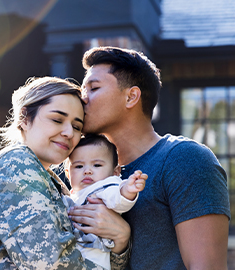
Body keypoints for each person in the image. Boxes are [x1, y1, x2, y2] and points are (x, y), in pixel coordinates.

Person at [67, 46, 230, 270]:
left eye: (93, 88)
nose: (82, 99)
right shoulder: (77, 171)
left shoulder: (185, 160)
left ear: (131, 96)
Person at [0, 76, 130, 269]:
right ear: (24, 119)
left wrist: (120, 240)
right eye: (57, 120)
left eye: (77, 126)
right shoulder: (15, 164)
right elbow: (50, 263)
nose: (69, 132)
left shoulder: (49, 178)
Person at [62, 133, 147, 270]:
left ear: (115, 172)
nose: (87, 171)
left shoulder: (103, 188)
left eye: (96, 165)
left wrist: (127, 190)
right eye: (79, 166)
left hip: (94, 259)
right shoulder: (73, 195)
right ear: (68, 173)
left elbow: (117, 199)